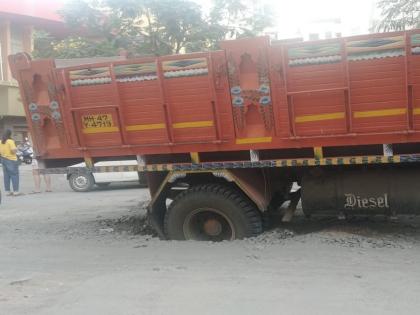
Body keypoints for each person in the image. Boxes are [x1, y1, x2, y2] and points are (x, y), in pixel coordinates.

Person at [0, 129, 21, 196]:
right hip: (11, 160)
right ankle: (15, 191)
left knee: (6, 176)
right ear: (10, 134)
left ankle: (7, 191)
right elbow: (13, 151)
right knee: (14, 175)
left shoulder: (0, 141)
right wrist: (17, 148)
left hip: (3, 159)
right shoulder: (10, 141)